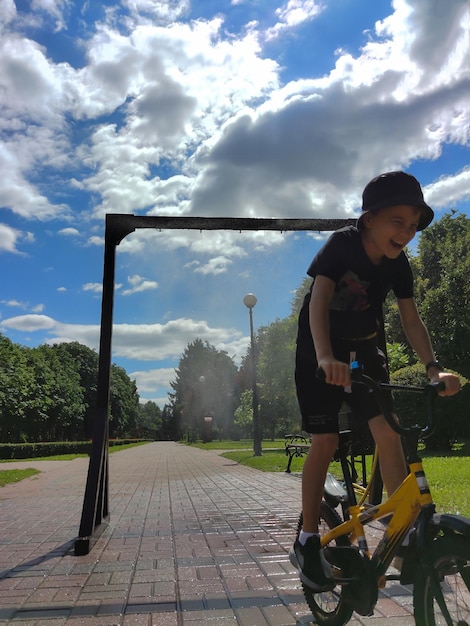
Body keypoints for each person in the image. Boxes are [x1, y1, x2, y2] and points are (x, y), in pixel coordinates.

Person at [290, 170, 461, 591]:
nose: (406, 233)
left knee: (389, 435)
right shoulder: (343, 245)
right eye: (397, 222)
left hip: (365, 351)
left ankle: (395, 531)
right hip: (320, 350)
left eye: (412, 225)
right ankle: (308, 538)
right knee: (325, 441)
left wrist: (433, 367)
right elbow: (320, 300)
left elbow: (411, 318)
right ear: (369, 219)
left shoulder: (399, 264)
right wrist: (326, 356)